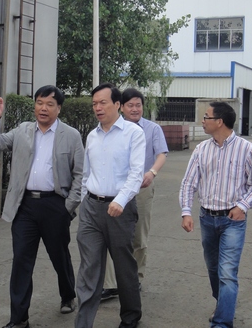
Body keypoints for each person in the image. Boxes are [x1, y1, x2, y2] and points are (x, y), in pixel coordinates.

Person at [0, 86, 84, 328]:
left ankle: (68, 294)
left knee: (59, 256)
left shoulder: (71, 135)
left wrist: (68, 207)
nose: (43, 108)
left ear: (59, 108)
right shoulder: (23, 130)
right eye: (39, 102)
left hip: (55, 205)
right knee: (21, 260)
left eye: (49, 104)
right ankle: (19, 319)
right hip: (25, 206)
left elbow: (80, 174)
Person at [180, 102, 252, 328]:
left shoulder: (246, 149)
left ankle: (221, 323)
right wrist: (186, 211)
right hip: (207, 218)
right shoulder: (201, 149)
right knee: (213, 269)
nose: (202, 121)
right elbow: (189, 183)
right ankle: (223, 305)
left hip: (232, 221)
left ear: (219, 122)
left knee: (227, 272)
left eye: (206, 117)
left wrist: (242, 206)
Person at [74, 83, 146, 328]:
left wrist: (120, 200)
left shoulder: (133, 133)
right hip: (91, 209)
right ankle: (83, 323)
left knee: (124, 266)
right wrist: (84, 200)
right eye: (94, 103)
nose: (98, 107)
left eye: (102, 102)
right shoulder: (92, 136)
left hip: (120, 210)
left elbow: (136, 174)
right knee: (89, 267)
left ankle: (130, 317)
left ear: (117, 104)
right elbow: (86, 173)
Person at [101, 88, 168, 300]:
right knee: (112, 236)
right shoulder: (112, 129)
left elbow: (161, 154)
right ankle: (111, 284)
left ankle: (135, 278)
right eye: (130, 105)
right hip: (115, 190)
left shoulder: (152, 129)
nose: (135, 109)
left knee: (139, 235)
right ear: (121, 107)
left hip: (141, 189)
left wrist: (152, 172)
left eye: (138, 105)